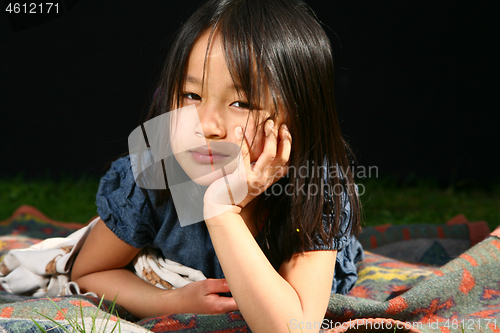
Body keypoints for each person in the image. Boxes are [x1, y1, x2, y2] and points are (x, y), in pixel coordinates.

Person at [71, 0, 364, 332]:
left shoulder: (316, 188)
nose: (206, 125)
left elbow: (292, 328)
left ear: (300, 116)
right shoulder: (155, 174)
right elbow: (88, 274)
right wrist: (170, 302)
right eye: (191, 95)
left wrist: (221, 211)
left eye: (241, 102)